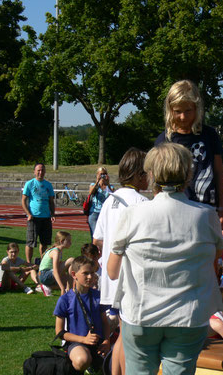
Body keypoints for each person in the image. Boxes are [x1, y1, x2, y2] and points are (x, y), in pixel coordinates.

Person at [107, 142, 223, 375]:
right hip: (187, 317)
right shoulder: (206, 215)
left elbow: (112, 272)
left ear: (150, 175)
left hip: (140, 315)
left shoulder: (132, 214)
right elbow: (213, 265)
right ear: (188, 174)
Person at [92, 147, 148, 375]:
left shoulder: (110, 200)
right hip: (130, 279)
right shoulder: (142, 202)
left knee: (124, 333)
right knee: (129, 335)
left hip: (110, 276)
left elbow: (97, 239)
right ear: (138, 174)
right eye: (147, 172)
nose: (150, 177)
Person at [154, 79, 223, 235]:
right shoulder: (164, 140)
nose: (182, 117)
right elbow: (156, 181)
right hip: (176, 211)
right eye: (177, 111)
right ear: (170, 110)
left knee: (213, 256)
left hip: (208, 210)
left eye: (188, 111)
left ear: (197, 108)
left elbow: (219, 172)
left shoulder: (209, 135)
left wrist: (222, 209)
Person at [54, 255, 110, 374]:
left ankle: (95, 365)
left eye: (92, 273)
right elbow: (59, 332)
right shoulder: (65, 299)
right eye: (85, 273)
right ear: (74, 275)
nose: (90, 277)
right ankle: (80, 366)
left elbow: (105, 322)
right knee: (82, 360)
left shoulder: (98, 295)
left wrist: (106, 341)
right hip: (77, 343)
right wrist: (84, 339)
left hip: (99, 343)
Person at [22, 163, 55, 264]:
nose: (40, 172)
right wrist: (28, 214)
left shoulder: (48, 185)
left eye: (42, 170)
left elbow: (51, 201)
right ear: (34, 171)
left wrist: (52, 214)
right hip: (34, 217)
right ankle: (29, 262)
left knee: (44, 242)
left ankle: (42, 262)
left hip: (46, 217)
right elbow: (23, 200)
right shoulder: (30, 184)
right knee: (31, 242)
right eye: (38, 170)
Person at [37, 231, 74, 296]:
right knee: (71, 260)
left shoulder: (59, 251)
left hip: (45, 274)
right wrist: (62, 288)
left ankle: (46, 287)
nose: (71, 243)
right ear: (62, 241)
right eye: (68, 241)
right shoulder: (56, 252)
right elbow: (55, 271)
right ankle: (66, 289)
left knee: (70, 282)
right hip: (45, 275)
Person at [87, 166, 114, 240]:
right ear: (97, 174)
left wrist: (107, 184)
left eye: (104, 174)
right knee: (95, 236)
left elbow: (113, 195)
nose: (103, 175)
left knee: (105, 236)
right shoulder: (93, 185)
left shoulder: (110, 186)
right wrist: (97, 181)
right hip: (94, 213)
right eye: (101, 174)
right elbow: (91, 192)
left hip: (105, 213)